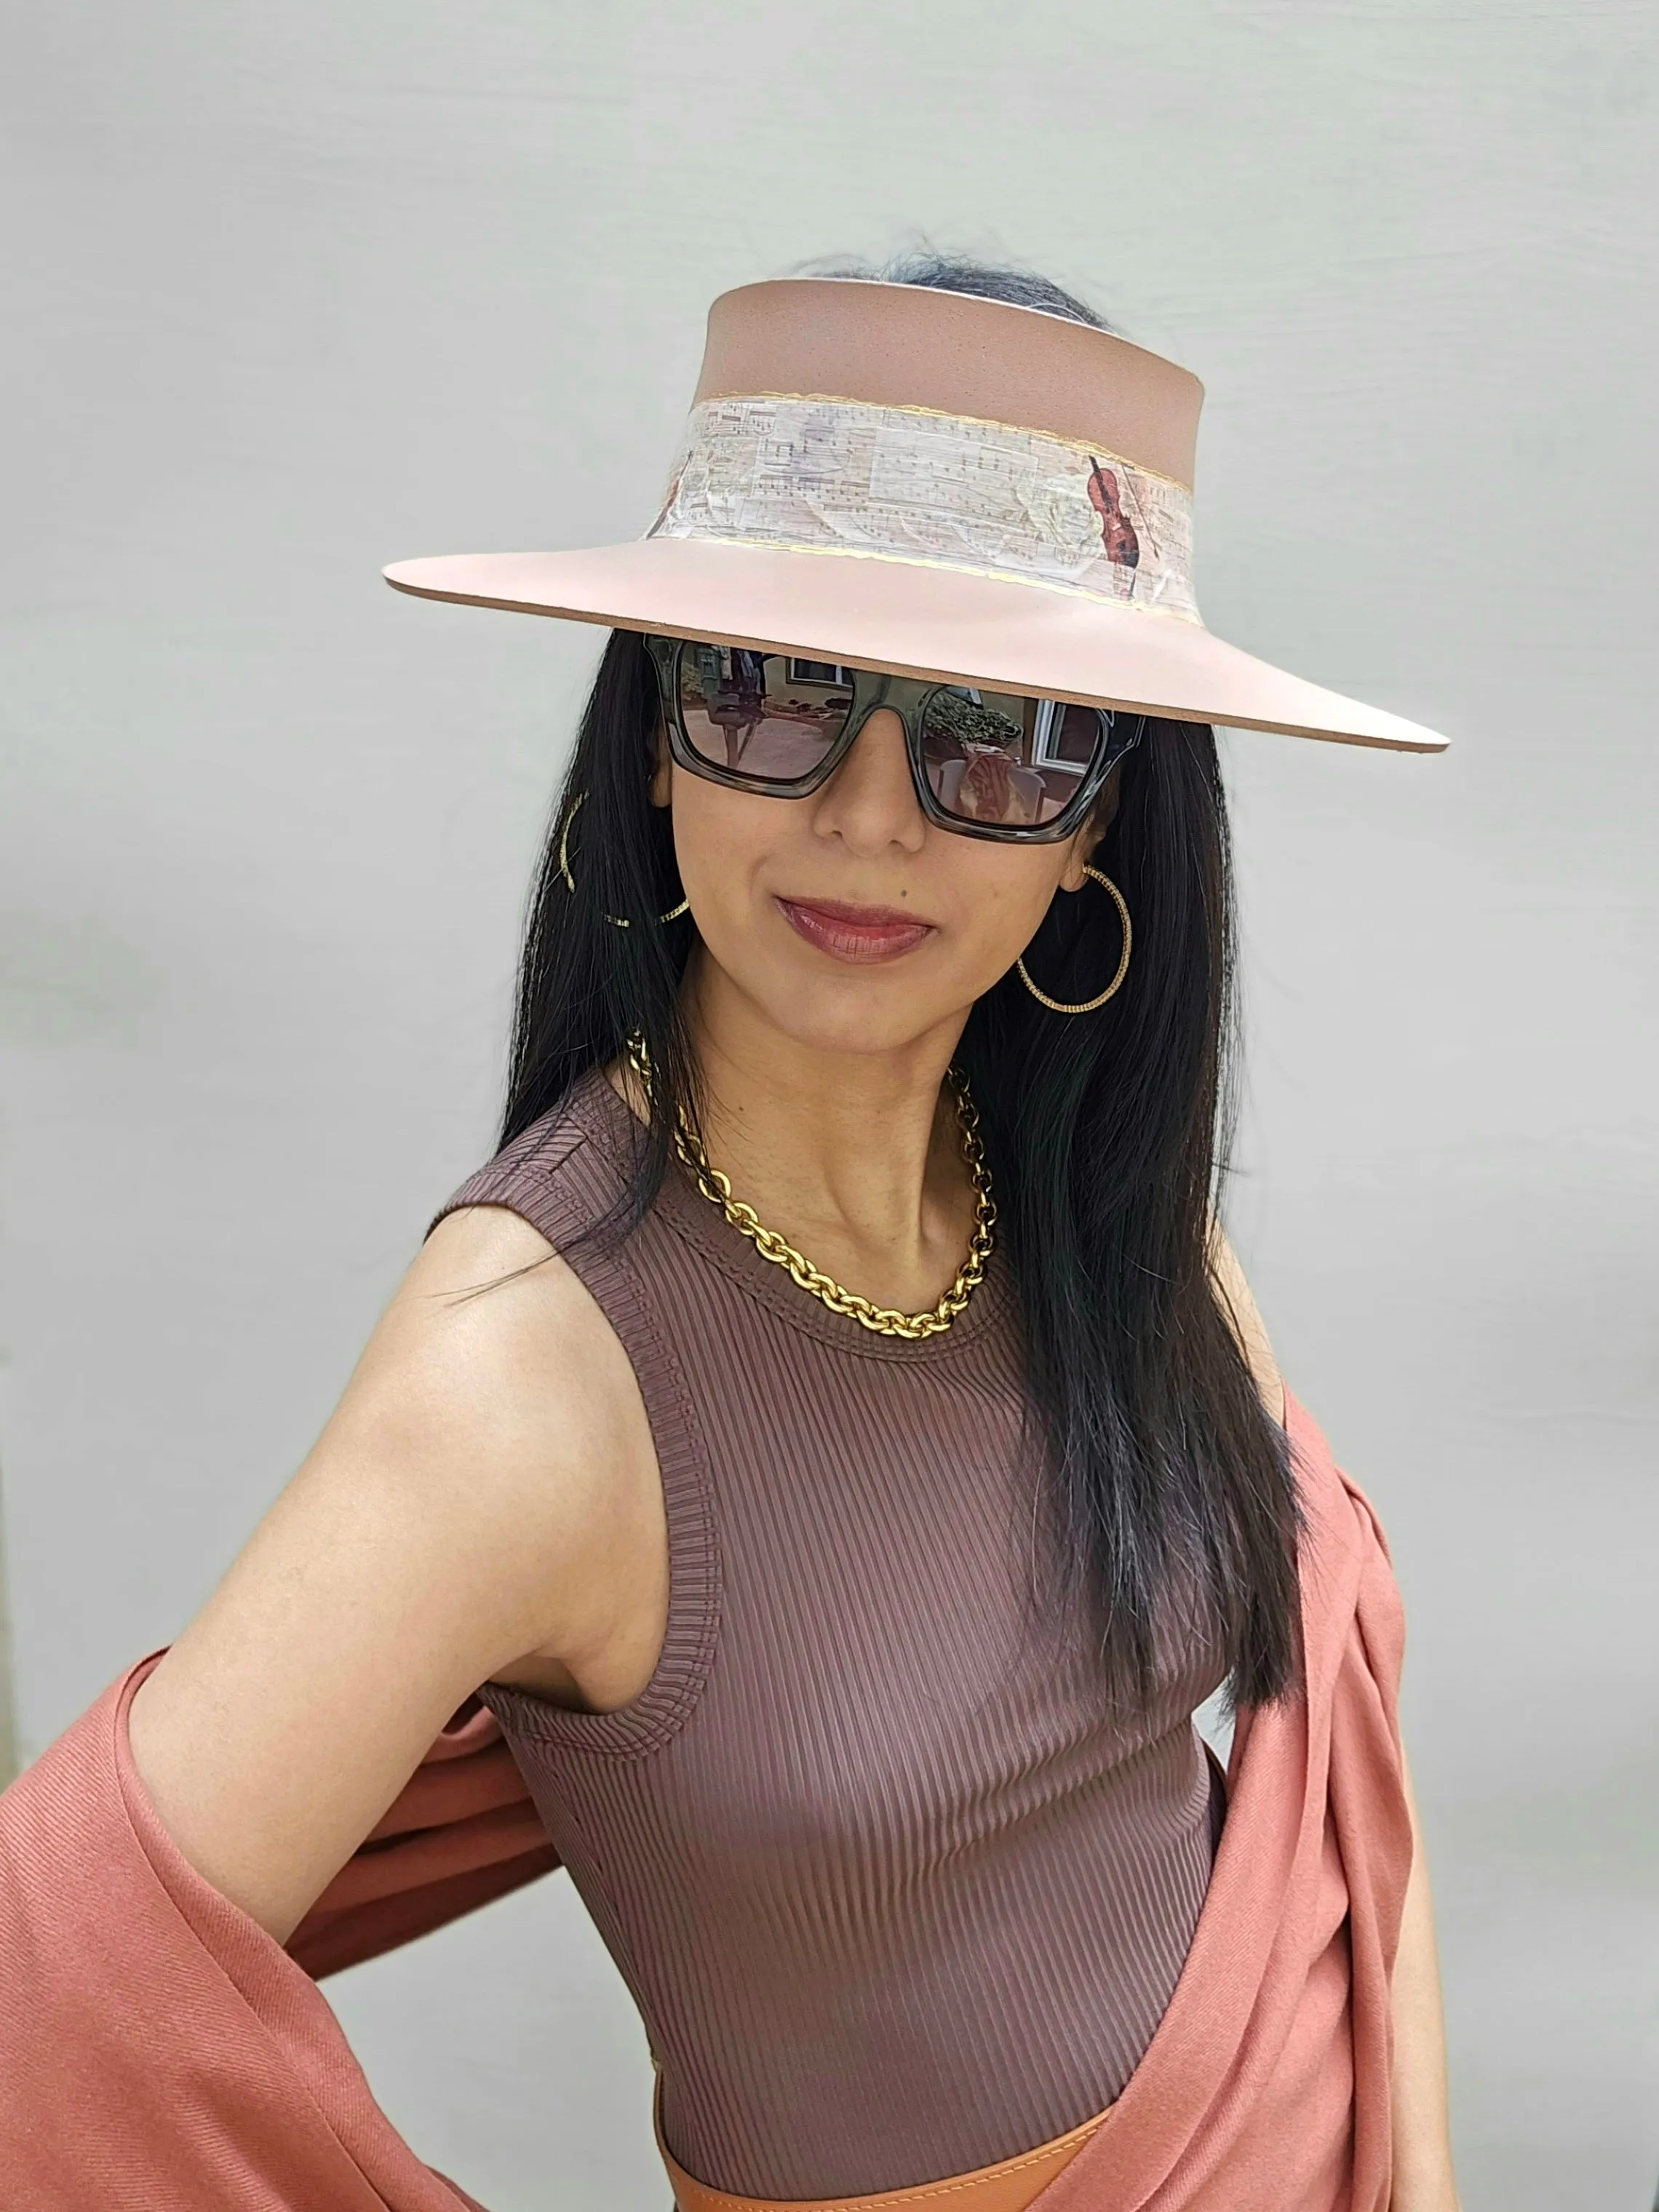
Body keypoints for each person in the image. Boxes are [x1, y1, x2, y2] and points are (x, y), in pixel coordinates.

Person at [0, 255, 1460, 2212]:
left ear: (1107, 813)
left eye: (998, 733)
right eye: (775, 694)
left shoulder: (1109, 1219)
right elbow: (50, 1998)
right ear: (657, 734)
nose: (869, 819)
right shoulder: (530, 1361)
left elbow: (1345, 1824)